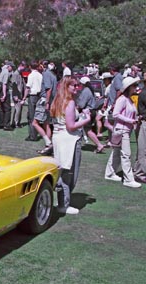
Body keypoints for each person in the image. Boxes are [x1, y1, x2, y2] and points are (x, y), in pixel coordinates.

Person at [50, 77, 92, 215]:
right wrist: (86, 119)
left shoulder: (57, 100)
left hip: (59, 138)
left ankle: (61, 201)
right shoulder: (69, 102)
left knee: (63, 171)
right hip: (69, 140)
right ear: (66, 87)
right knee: (69, 173)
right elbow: (71, 126)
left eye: (77, 85)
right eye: (74, 86)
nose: (77, 88)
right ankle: (64, 204)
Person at [104, 77, 141, 188]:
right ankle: (128, 179)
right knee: (126, 154)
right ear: (129, 87)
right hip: (122, 130)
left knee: (116, 152)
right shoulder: (122, 99)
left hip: (125, 129)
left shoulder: (129, 99)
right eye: (134, 85)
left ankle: (109, 173)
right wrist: (131, 120)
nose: (136, 87)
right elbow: (115, 114)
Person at [76, 76, 106, 153]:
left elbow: (81, 104)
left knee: (88, 130)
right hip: (91, 111)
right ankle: (98, 145)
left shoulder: (86, 91)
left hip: (87, 112)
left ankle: (99, 145)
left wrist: (76, 107)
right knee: (87, 130)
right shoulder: (90, 90)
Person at [33, 61, 58, 154]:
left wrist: (47, 102)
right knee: (46, 124)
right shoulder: (52, 74)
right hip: (51, 101)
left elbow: (49, 89)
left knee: (35, 123)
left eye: (38, 65)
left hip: (45, 100)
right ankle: (48, 147)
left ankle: (48, 143)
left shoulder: (46, 74)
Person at [23, 61, 42, 141]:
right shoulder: (40, 75)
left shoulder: (31, 75)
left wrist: (24, 97)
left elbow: (28, 87)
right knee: (37, 116)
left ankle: (32, 136)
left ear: (30, 67)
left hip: (33, 96)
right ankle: (36, 133)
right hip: (39, 96)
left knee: (31, 116)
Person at [10, 62, 26, 129]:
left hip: (20, 94)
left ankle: (15, 122)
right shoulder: (15, 74)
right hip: (17, 95)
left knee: (18, 109)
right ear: (20, 65)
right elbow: (14, 85)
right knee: (18, 110)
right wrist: (15, 95)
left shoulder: (20, 74)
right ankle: (16, 123)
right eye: (24, 67)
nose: (24, 69)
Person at [0, 63, 12, 130]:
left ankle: (1, 124)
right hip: (3, 91)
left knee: (2, 108)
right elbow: (4, 84)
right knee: (7, 109)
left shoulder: (2, 71)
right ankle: (6, 125)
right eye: (12, 67)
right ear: (9, 66)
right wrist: (4, 94)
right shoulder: (6, 72)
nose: (12, 69)